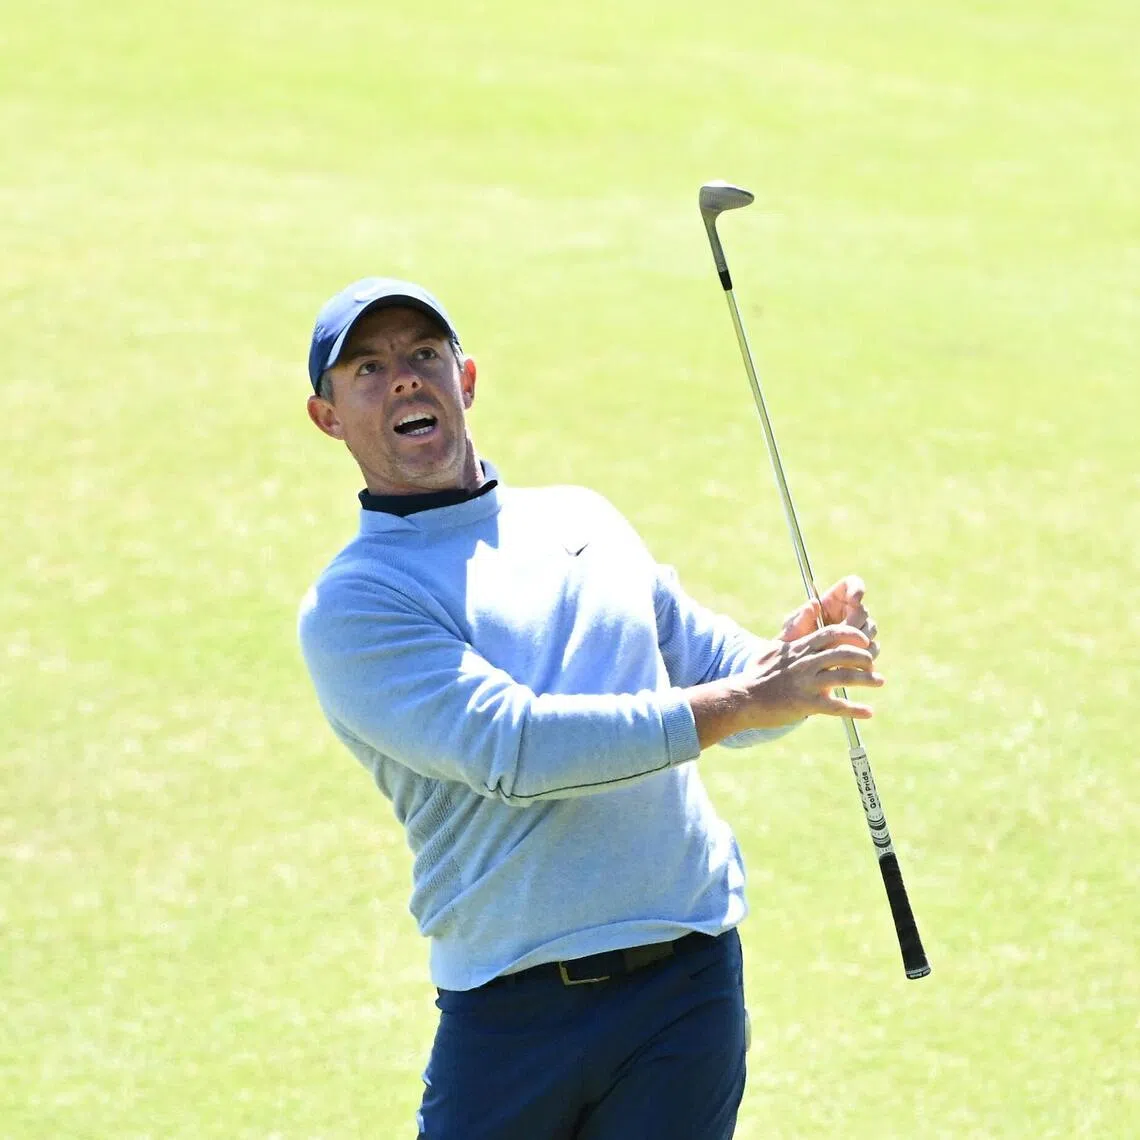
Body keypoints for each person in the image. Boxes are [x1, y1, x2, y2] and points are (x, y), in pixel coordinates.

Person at [297, 277, 884, 1140]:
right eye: (370, 369)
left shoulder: (583, 519)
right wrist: (749, 695)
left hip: (687, 986)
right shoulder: (357, 603)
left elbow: (725, 676)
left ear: (465, 379)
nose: (405, 380)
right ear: (329, 418)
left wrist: (798, 659)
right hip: (512, 1008)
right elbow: (517, 751)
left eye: (424, 356)